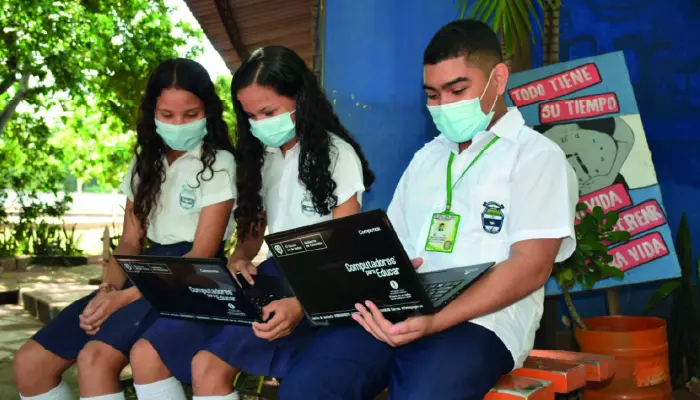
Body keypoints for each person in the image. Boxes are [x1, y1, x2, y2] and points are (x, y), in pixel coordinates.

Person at [278, 20, 579, 400]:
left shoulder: (536, 156)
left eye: (457, 90)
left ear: (498, 78)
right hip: (402, 309)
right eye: (433, 95)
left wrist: (435, 320)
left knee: (423, 393)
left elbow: (530, 267)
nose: (444, 105)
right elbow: (393, 246)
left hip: (482, 322)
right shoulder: (427, 158)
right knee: (308, 386)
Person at [128, 45, 375, 400]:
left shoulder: (337, 155)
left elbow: (345, 245)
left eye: (269, 111)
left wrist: (301, 303)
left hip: (326, 282)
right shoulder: (263, 157)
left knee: (246, 371)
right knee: (205, 365)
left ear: (300, 99)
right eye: (250, 115)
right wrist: (240, 254)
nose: (260, 124)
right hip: (275, 275)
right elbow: (253, 230)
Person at [12, 58, 237, 400]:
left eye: (190, 115)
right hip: (143, 270)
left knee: (95, 358)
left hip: (193, 276)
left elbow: (201, 255)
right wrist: (107, 290)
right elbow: (130, 241)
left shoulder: (219, 163)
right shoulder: (144, 162)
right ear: (152, 113)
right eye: (168, 115)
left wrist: (124, 298)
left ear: (208, 111)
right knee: (30, 363)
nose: (179, 124)